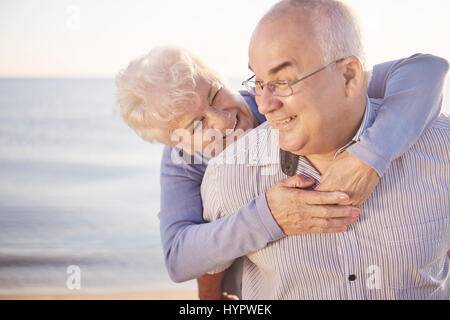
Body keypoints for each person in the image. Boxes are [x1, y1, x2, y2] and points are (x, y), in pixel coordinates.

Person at [116, 44, 448, 298]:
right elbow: (179, 258)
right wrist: (271, 216)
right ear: (179, 144)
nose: (223, 119)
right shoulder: (184, 161)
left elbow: (426, 70)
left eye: (215, 95)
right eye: (197, 124)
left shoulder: (284, 96)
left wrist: (370, 156)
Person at [201, 0, 449, 299]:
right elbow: (209, 282)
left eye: (282, 81)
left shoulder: (440, 147)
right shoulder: (228, 175)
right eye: (260, 82)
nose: (264, 104)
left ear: (349, 77)